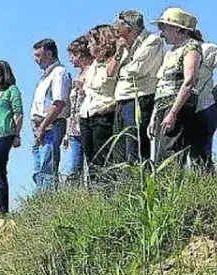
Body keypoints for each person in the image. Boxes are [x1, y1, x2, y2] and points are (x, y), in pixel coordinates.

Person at [149, 8, 204, 166]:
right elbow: (160, 84)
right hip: (162, 104)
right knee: (161, 153)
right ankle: (163, 188)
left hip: (177, 105)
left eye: (164, 27)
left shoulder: (191, 47)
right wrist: (154, 117)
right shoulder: (170, 53)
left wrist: (173, 112)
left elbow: (189, 80)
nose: (161, 32)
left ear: (178, 29)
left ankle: (171, 188)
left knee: (170, 151)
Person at [112, 9, 166, 164]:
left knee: (135, 148)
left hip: (139, 98)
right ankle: (125, 185)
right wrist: (120, 52)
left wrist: (125, 60)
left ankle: (139, 184)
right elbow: (111, 73)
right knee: (120, 149)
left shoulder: (151, 41)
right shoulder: (124, 45)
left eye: (119, 26)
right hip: (122, 99)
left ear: (130, 27)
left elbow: (136, 70)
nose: (116, 29)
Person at [30, 39, 73, 190]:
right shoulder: (45, 76)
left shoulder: (59, 73)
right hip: (41, 127)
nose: (36, 59)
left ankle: (46, 201)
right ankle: (40, 203)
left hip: (51, 126)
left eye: (38, 55)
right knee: (38, 169)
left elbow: (59, 103)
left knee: (47, 168)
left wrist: (43, 126)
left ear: (49, 53)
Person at [0, 60, 24, 215]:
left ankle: (1, 210)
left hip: (1, 134)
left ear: (3, 74)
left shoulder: (12, 90)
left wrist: (16, 134)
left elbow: (18, 113)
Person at [82, 25, 122, 175]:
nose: (88, 46)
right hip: (86, 115)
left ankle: (106, 193)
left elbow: (112, 77)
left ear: (102, 43)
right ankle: (94, 194)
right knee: (91, 162)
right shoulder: (93, 65)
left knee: (103, 160)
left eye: (91, 42)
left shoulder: (116, 60)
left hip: (103, 114)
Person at [193, 34, 217, 170]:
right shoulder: (175, 53)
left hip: (205, 106)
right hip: (188, 109)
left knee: (201, 154)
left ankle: (205, 184)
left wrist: (216, 89)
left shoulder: (207, 49)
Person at [62, 37, 92, 184]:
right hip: (74, 129)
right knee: (72, 169)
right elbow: (71, 107)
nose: (70, 59)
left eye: (72, 55)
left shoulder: (92, 72)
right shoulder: (76, 77)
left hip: (87, 123)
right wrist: (67, 133)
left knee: (91, 166)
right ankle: (73, 199)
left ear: (81, 54)